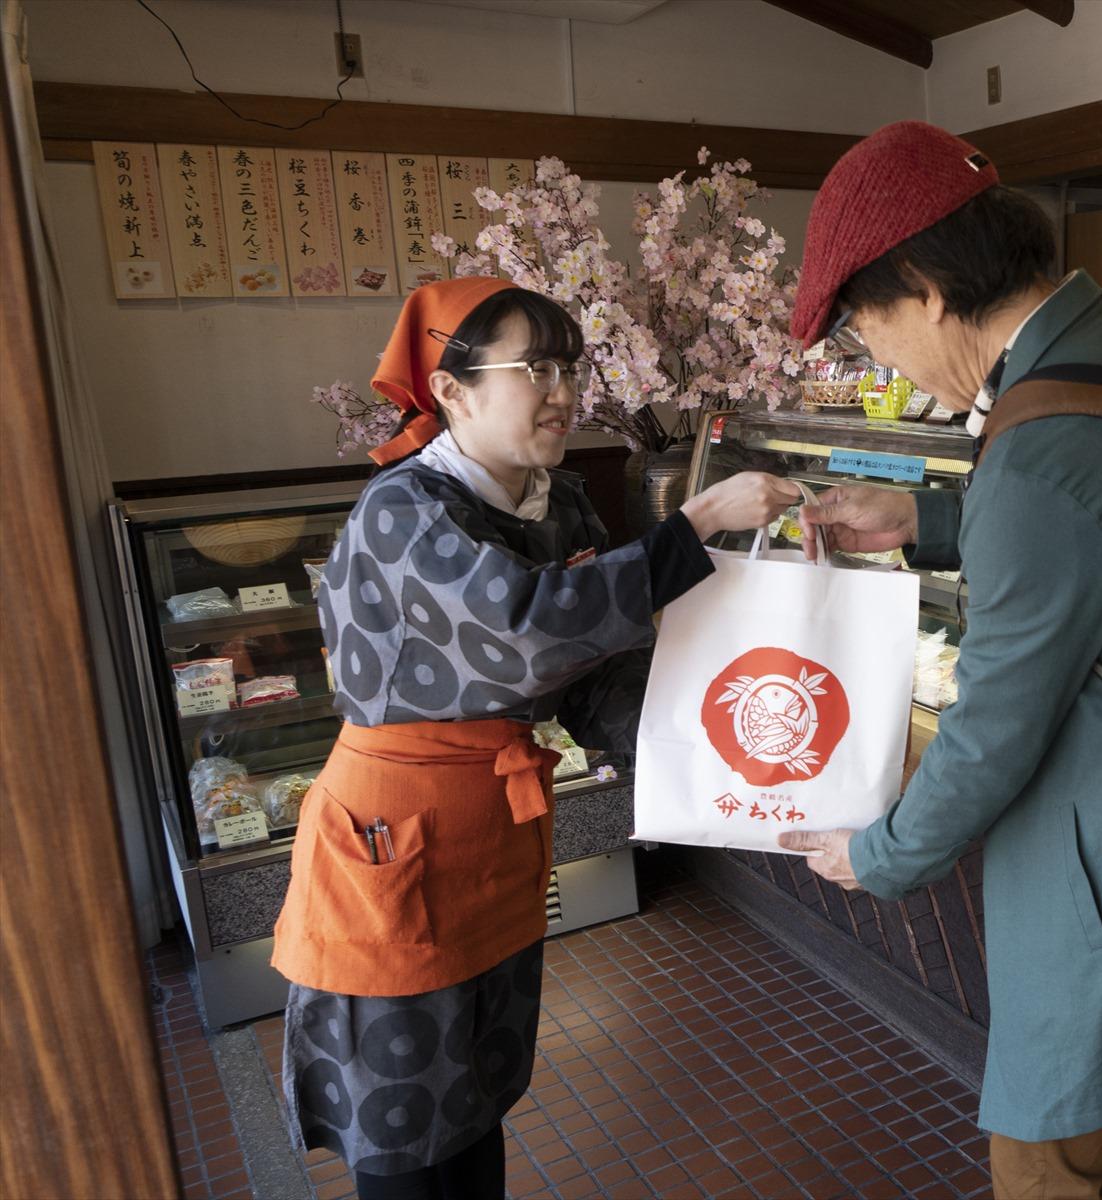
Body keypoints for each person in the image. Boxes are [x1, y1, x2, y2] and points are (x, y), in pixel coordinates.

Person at [778, 122, 1102, 1200]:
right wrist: (927, 516)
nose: (883, 363)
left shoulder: (1040, 450)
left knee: (1046, 1149)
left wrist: (880, 854)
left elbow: (993, 726)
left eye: (869, 329)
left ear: (924, 289)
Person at [271, 277, 796, 1199]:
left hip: (493, 834)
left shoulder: (555, 503)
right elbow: (530, 629)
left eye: (570, 366)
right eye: (535, 367)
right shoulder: (403, 512)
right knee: (407, 1129)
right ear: (452, 391)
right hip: (394, 843)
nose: (563, 391)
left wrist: (733, 773)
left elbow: (595, 673)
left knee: (475, 1097)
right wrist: (698, 525)